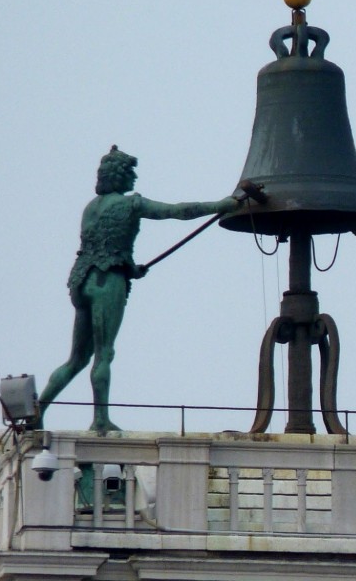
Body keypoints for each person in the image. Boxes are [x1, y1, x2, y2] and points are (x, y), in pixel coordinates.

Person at [38, 146, 237, 434]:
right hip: (108, 281)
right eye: (130, 173)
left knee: (76, 360)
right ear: (119, 176)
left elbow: (101, 244)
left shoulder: (90, 208)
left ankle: (38, 410)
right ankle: (101, 419)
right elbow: (178, 212)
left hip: (82, 280)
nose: (134, 179)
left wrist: (131, 268)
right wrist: (221, 205)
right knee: (103, 354)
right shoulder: (132, 204)